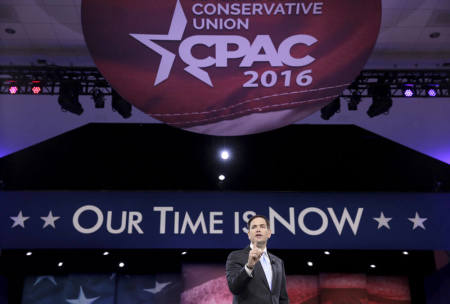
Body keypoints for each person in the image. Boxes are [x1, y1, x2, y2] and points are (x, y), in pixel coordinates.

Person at [226, 215, 289, 304]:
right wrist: (249, 266)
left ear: (269, 233)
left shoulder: (278, 262)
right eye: (254, 227)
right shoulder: (236, 256)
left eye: (262, 226)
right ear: (249, 234)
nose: (258, 229)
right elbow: (234, 287)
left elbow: (283, 298)